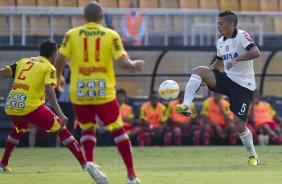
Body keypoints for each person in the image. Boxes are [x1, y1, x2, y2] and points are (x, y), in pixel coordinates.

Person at [54, 2, 144, 184]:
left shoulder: (72, 34)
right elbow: (123, 61)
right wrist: (134, 64)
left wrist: (57, 79)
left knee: (87, 127)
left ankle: (90, 162)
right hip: (104, 92)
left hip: (79, 92)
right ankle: (131, 175)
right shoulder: (110, 34)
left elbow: (60, 58)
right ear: (102, 18)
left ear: (83, 18)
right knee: (118, 130)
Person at [0, 40, 102, 182]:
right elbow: (48, 89)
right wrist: (60, 113)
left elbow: (3, 72)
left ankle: (3, 164)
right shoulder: (49, 67)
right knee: (61, 127)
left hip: (11, 106)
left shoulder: (24, 61)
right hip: (30, 106)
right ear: (54, 54)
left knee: (19, 128)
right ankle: (85, 164)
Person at [176, 11, 260, 165]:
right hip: (227, 79)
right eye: (218, 24)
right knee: (199, 71)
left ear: (232, 24)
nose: (218, 27)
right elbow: (219, 64)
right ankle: (186, 106)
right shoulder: (220, 42)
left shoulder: (242, 35)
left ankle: (252, 155)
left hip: (244, 86)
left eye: (221, 24)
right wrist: (204, 77)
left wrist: (236, 59)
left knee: (238, 123)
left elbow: (255, 52)